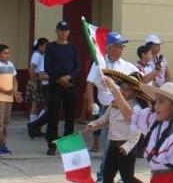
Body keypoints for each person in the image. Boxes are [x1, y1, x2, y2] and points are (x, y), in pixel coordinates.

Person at [85, 70, 150, 183]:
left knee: (128, 179)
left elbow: (136, 131)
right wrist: (93, 125)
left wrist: (127, 146)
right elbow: (105, 119)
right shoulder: (113, 105)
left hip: (126, 148)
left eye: (127, 89)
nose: (123, 91)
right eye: (122, 88)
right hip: (113, 146)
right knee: (107, 177)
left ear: (135, 92)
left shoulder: (136, 109)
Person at [86, 32, 137, 153]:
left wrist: (155, 73)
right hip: (104, 107)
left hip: (119, 109)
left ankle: (105, 169)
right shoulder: (99, 64)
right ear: (109, 47)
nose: (122, 49)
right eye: (119, 46)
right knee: (107, 139)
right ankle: (106, 169)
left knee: (112, 141)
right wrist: (91, 103)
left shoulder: (127, 66)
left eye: (122, 47)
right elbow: (89, 83)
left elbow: (141, 80)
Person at [43, 20, 79, 155]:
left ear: (69, 32)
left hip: (70, 85)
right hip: (55, 85)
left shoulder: (73, 47)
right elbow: (47, 66)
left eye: (66, 30)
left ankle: (68, 144)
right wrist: (59, 79)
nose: (64, 33)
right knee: (53, 116)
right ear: (57, 31)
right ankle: (51, 145)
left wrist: (68, 77)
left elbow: (77, 66)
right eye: (61, 30)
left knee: (70, 116)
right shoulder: (51, 47)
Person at [0, 43, 21, 157]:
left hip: (9, 98)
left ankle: (3, 144)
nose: (7, 56)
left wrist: (14, 91)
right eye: (5, 53)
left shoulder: (11, 64)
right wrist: (5, 91)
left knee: (5, 122)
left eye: (8, 53)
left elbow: (14, 80)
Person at [26, 38, 48, 139]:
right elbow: (31, 69)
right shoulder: (36, 55)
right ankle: (34, 125)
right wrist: (34, 81)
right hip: (37, 80)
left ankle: (35, 125)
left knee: (40, 104)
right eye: (45, 46)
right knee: (35, 104)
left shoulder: (42, 55)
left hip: (40, 79)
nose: (46, 48)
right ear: (40, 46)